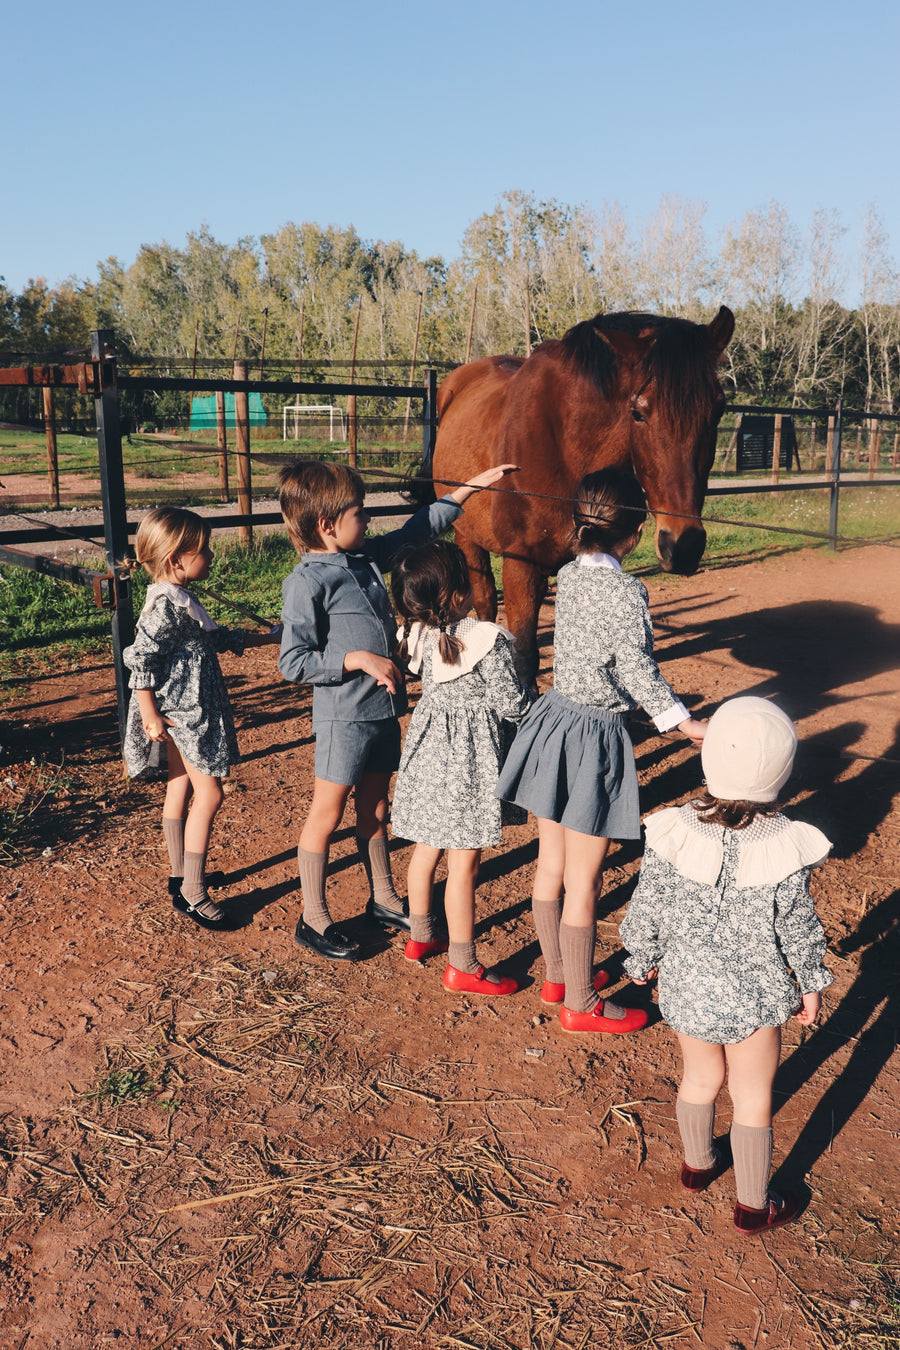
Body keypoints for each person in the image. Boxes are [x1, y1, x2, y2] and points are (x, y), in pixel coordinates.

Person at [278, 458, 519, 961]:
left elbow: (416, 529)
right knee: (327, 812)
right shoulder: (308, 582)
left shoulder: (364, 557)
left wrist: (469, 489)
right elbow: (292, 660)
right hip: (343, 715)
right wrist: (358, 658)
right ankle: (313, 916)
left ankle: (384, 898)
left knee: (377, 808)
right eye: (359, 514)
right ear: (327, 525)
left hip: (382, 711)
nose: (367, 522)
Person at [496, 467, 705, 1033]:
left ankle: (559, 976)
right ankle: (581, 1004)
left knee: (552, 864)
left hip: (554, 722)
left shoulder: (569, 575)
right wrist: (682, 722)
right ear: (633, 536)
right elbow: (636, 667)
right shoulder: (626, 590)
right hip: (593, 736)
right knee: (585, 880)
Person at [620, 696, 833, 1235]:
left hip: (687, 986)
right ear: (782, 774)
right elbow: (797, 925)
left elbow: (648, 905)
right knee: (753, 1094)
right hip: (756, 994)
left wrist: (641, 956)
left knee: (699, 1078)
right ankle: (754, 1205)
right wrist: (809, 981)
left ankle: (698, 1165)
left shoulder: (675, 830)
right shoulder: (783, 844)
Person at [122, 507, 280, 929]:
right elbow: (140, 661)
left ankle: (181, 876)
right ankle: (193, 893)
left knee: (181, 788)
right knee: (210, 795)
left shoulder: (180, 599)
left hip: (182, 710)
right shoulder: (164, 609)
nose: (209, 555)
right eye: (203, 549)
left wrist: (267, 636)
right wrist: (148, 711)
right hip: (183, 714)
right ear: (176, 559)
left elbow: (212, 638)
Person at [389, 539, 533, 995]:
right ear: (457, 595)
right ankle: (463, 966)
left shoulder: (421, 634)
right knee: (464, 865)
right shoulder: (485, 639)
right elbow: (512, 704)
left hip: (431, 755)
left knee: (427, 849)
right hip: (468, 765)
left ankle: (420, 935)